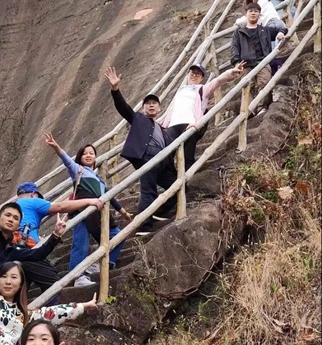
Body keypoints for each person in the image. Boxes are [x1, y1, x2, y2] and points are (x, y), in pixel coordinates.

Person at [45, 133, 132, 286]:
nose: (88, 155)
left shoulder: (99, 180)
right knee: (81, 243)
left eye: (91, 153)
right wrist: (55, 146)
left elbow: (110, 197)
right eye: (85, 153)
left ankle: (104, 264)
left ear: (95, 157)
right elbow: (66, 159)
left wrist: (123, 212)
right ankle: (77, 277)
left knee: (118, 235)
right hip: (82, 212)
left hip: (98, 215)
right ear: (80, 157)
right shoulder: (77, 170)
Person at [104, 66, 175, 236]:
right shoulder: (138, 119)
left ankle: (157, 212)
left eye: (154, 104)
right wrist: (115, 89)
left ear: (159, 109)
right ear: (143, 108)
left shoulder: (162, 129)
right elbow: (124, 108)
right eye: (148, 104)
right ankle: (144, 226)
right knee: (148, 191)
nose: (151, 106)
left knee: (180, 186)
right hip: (148, 158)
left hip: (164, 162)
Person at [161, 61, 246, 171]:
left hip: (189, 124)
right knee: (166, 155)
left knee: (188, 156)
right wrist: (164, 126)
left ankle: (186, 184)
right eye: (192, 73)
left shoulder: (202, 89)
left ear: (202, 78)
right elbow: (172, 110)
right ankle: (172, 181)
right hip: (173, 125)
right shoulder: (180, 91)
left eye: (198, 74)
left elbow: (218, 81)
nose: (194, 75)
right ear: (188, 75)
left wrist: (231, 72)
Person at [0, 203, 64, 303]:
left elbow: (37, 254)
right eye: (8, 215)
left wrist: (56, 235)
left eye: (15, 218)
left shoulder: (11, 249)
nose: (11, 219)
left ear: (18, 226)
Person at [230, 2, 286, 116]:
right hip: (245, 63)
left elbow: (283, 28)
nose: (253, 13)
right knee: (247, 86)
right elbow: (234, 48)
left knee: (264, 82)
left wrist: (281, 32)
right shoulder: (239, 33)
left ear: (259, 15)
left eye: (256, 11)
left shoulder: (265, 30)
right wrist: (236, 62)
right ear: (246, 14)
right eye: (251, 11)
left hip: (263, 61)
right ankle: (248, 111)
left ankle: (262, 107)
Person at [15, 181, 104, 246]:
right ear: (33, 194)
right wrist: (89, 201)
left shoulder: (12, 207)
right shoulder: (33, 201)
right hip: (28, 245)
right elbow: (60, 207)